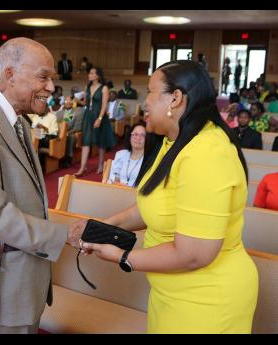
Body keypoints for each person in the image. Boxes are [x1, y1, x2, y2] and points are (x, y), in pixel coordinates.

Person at [74, 60, 258, 333]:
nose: (144, 102)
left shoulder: (206, 153)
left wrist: (122, 256)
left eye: (150, 91)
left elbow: (194, 254)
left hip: (207, 299)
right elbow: (152, 207)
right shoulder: (174, 140)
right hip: (171, 292)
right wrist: (100, 227)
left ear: (175, 98)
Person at [0, 37, 83, 334]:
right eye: (43, 76)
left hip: (24, 276)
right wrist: (62, 235)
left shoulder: (18, 121)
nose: (50, 87)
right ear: (10, 75)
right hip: (1, 280)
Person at [74, 67, 116, 176]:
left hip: (100, 116)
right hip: (88, 116)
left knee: (101, 142)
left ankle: (101, 165)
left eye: (92, 73)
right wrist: (77, 100)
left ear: (97, 75)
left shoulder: (104, 88)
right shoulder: (87, 87)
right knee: (86, 141)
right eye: (90, 73)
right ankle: (82, 168)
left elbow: (104, 105)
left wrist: (100, 118)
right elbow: (87, 103)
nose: (89, 74)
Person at [107, 122, 146, 186]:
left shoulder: (149, 160)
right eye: (135, 134)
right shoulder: (121, 154)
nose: (138, 138)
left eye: (142, 135)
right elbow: (114, 178)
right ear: (130, 136)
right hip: (118, 192)